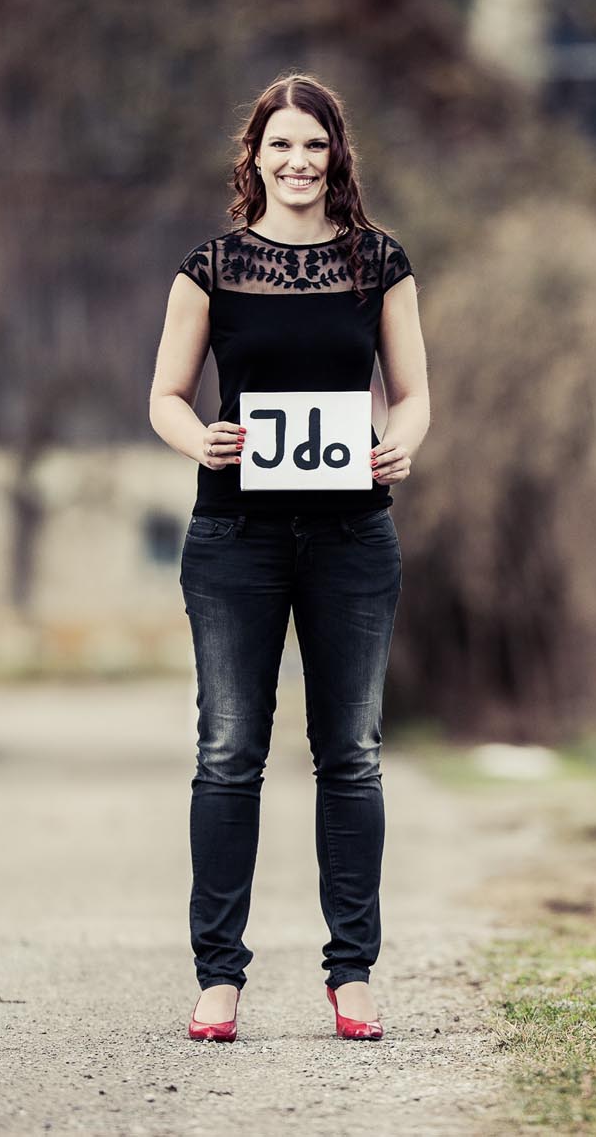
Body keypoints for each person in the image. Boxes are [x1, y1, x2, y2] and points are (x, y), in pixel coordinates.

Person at [148, 73, 429, 1043]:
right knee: (229, 754)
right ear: (254, 157)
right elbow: (166, 398)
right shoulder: (210, 266)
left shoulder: (378, 262)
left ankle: (350, 972)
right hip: (236, 538)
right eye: (281, 146)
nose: (298, 162)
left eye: (314, 146)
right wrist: (200, 443)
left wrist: (402, 443)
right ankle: (217, 977)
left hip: (353, 536)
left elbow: (414, 393)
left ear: (336, 156)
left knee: (349, 754)